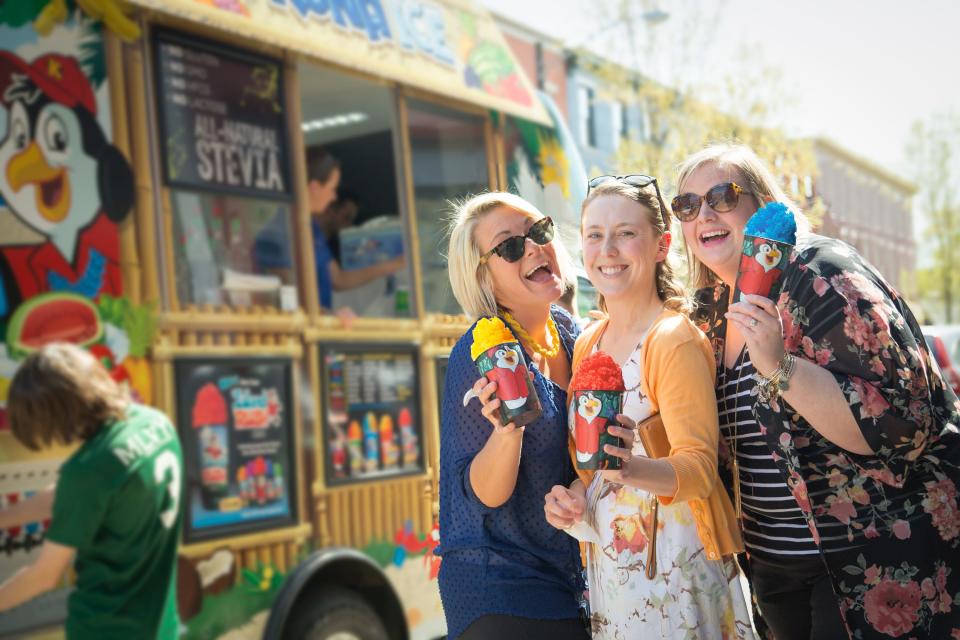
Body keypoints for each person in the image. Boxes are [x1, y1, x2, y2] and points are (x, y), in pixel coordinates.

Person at [676, 143, 960, 639]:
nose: (704, 213)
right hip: (773, 566)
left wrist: (778, 366)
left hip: (862, 558)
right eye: (687, 205)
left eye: (721, 195)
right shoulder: (711, 310)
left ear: (761, 202)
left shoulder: (817, 272)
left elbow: (902, 421)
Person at [542, 175, 753, 639]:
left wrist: (629, 468)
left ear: (661, 245)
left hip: (677, 578)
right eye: (595, 235)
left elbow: (699, 470)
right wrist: (574, 500)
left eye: (626, 233)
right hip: (615, 582)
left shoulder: (672, 338)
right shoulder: (588, 344)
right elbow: (593, 471)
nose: (607, 249)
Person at [436, 192, 588, 639]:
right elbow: (482, 496)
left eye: (538, 231)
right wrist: (506, 433)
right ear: (484, 276)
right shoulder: (482, 352)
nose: (534, 247)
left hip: (571, 578)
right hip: (500, 585)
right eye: (509, 246)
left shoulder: (572, 335)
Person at [0, 343, 183, 639]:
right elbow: (80, 496)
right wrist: (4, 518)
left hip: (107, 629)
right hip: (160, 625)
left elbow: (44, 577)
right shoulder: (154, 422)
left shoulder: (88, 470)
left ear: (57, 413)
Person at [304, 149, 404, 310]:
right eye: (332, 188)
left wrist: (392, 265)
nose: (333, 196)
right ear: (315, 187)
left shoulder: (312, 230)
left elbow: (338, 279)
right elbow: (291, 296)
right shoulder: (287, 229)